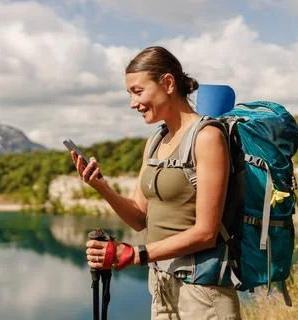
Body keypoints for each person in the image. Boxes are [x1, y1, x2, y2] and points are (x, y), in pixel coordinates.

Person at [70, 46, 241, 320]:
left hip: (203, 293)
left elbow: (206, 232)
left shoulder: (207, 137)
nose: (132, 103)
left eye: (138, 92)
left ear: (168, 83)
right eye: (129, 94)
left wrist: (135, 254)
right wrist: (100, 186)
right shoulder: (155, 142)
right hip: (161, 286)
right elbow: (139, 218)